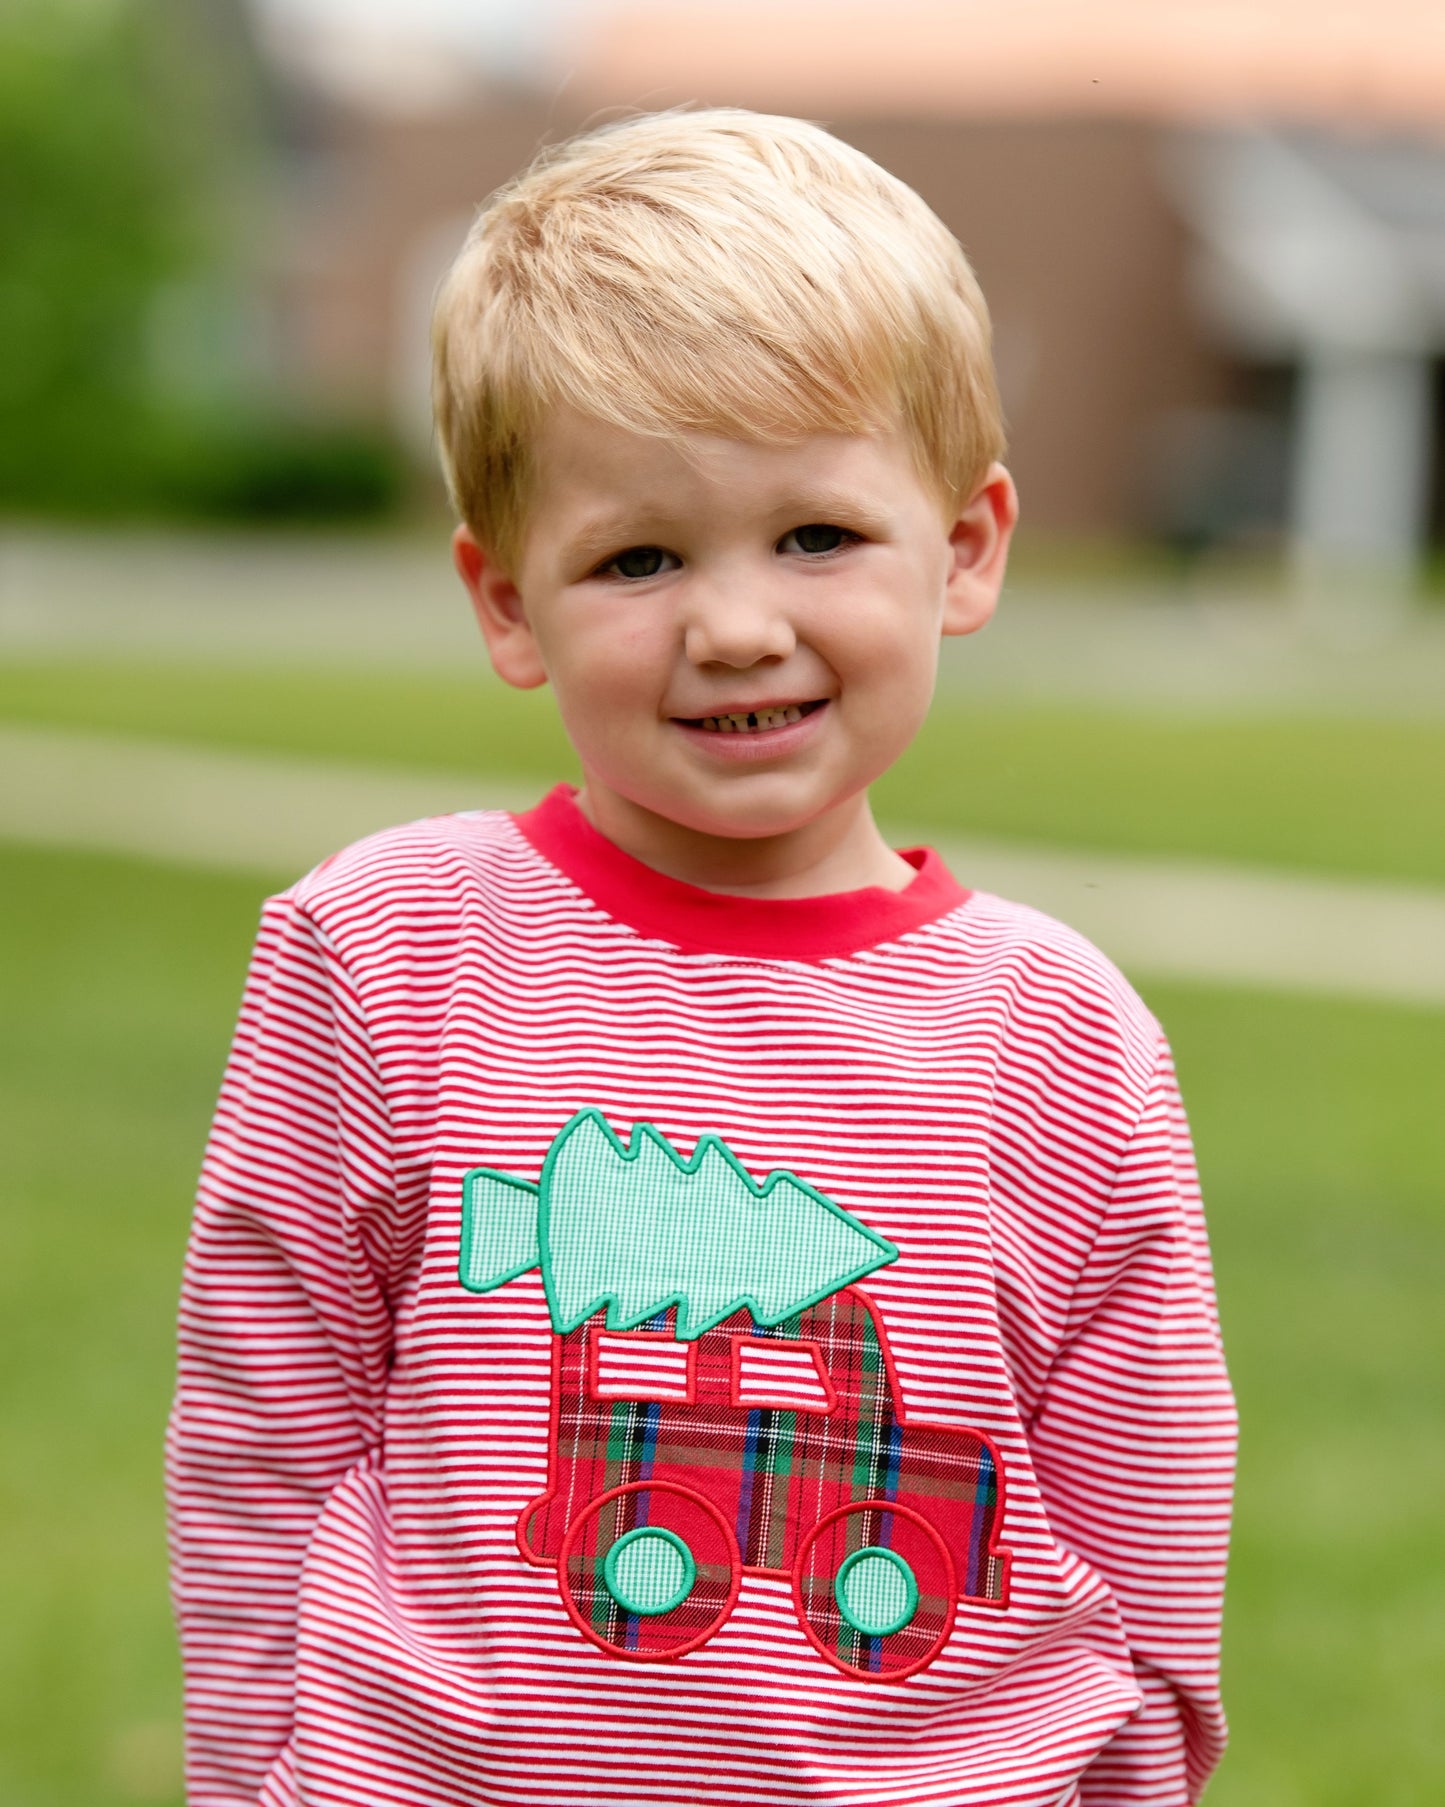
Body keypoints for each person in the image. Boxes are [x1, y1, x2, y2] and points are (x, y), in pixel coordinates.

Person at [167, 109, 1236, 1807]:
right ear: (507, 601)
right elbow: (263, 1418)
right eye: (638, 557)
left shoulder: (1059, 1032)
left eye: (814, 535)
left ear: (964, 548)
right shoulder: (377, 948)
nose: (736, 624)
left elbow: (1148, 1479)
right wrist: (250, 1767)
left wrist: (1135, 1768)